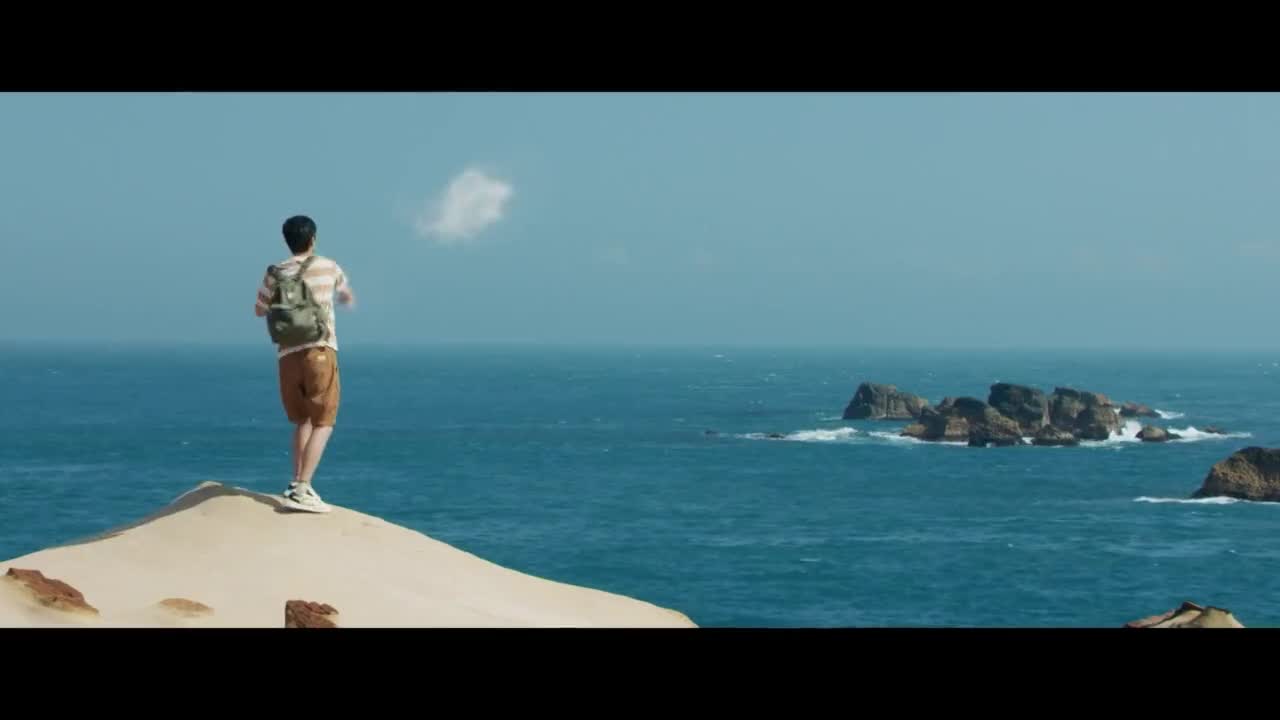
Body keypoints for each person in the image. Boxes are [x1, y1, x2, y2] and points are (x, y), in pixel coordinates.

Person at [254, 215, 355, 512]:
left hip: (287, 356)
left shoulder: (275, 272)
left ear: (286, 241)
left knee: (303, 420)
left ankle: (296, 482)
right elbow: (345, 293)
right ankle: (302, 487)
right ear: (313, 239)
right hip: (320, 350)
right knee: (324, 421)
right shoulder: (328, 266)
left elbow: (259, 310)